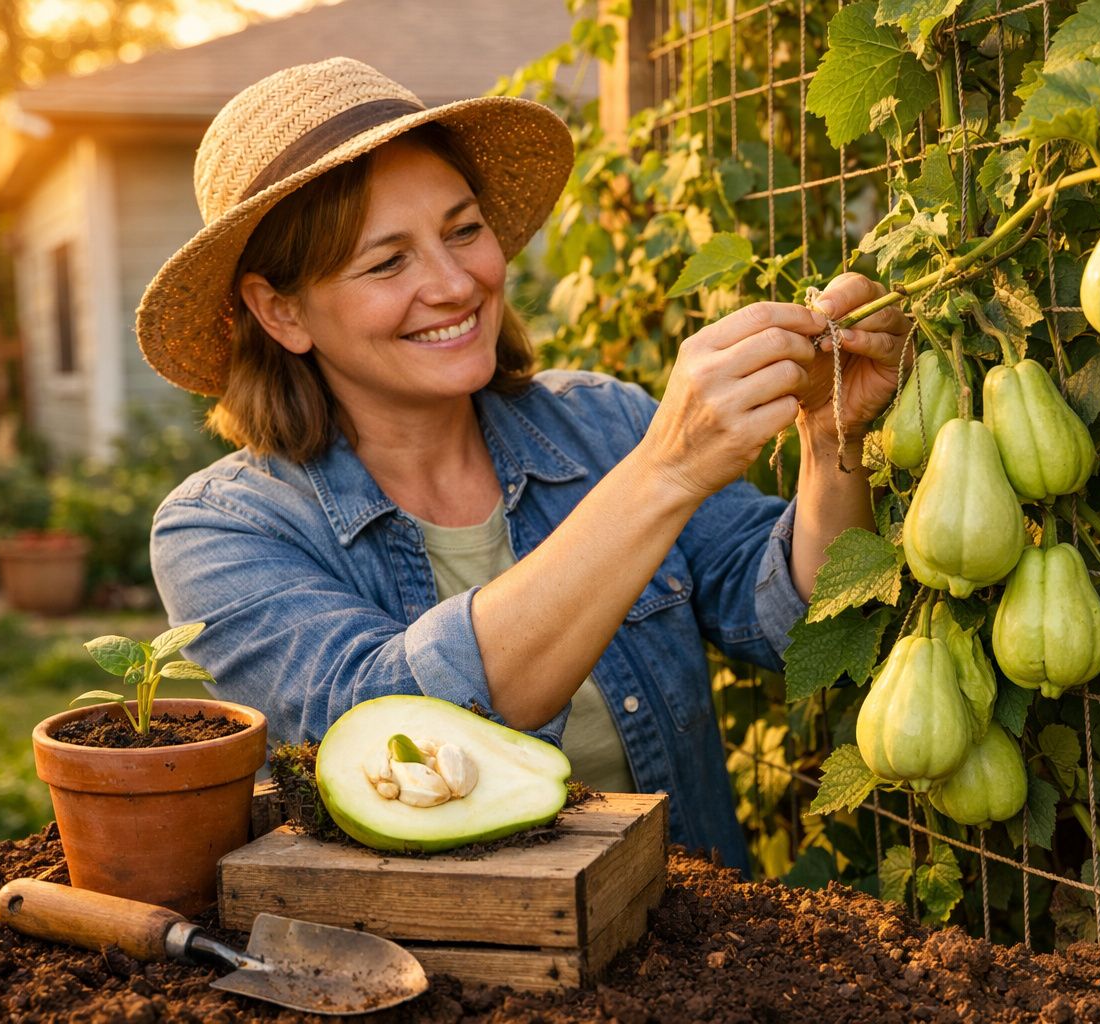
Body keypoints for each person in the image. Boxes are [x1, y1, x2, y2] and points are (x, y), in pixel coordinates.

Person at [142, 57, 911, 869]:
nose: (454, 283)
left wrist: (832, 439)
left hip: (687, 949)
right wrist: (665, 472)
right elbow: (393, 730)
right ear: (281, 311)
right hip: (437, 977)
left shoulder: (601, 422)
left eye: (464, 230)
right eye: (387, 261)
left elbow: (793, 625)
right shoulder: (221, 530)